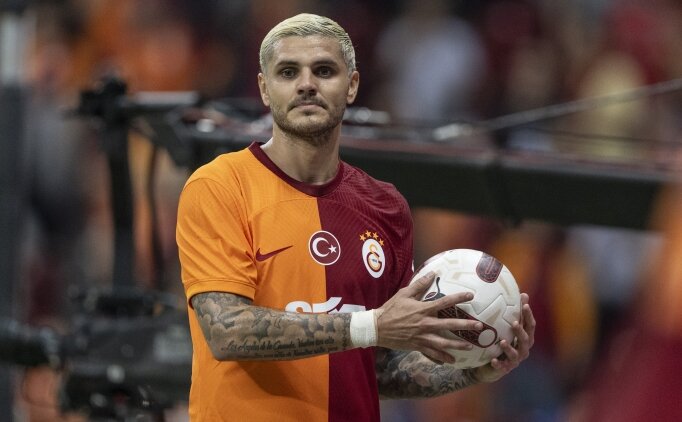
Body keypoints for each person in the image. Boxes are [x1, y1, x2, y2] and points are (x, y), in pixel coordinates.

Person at [176, 13, 535, 422]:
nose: (306, 84)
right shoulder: (220, 186)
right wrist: (371, 326)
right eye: (288, 72)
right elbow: (227, 330)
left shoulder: (386, 206)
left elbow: (379, 367)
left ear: (351, 86)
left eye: (324, 71)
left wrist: (474, 370)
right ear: (264, 88)